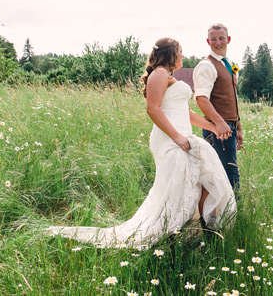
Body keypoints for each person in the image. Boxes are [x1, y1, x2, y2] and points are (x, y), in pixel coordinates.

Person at [47, 38, 236, 248]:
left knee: (203, 182)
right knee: (180, 188)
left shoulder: (169, 76)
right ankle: (170, 235)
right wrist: (176, 137)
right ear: (171, 53)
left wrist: (214, 127)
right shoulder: (160, 73)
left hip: (183, 136)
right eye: (180, 51)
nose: (183, 55)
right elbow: (153, 109)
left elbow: (187, 112)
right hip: (169, 138)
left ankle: (205, 235)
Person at [192, 23, 242, 191]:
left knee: (228, 171)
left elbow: (233, 98)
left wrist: (238, 128)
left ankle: (224, 213)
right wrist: (220, 123)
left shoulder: (229, 64)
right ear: (208, 41)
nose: (218, 42)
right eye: (213, 39)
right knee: (227, 174)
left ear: (228, 39)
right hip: (218, 129)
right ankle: (230, 214)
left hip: (230, 126)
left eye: (221, 38)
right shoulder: (206, 65)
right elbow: (201, 99)